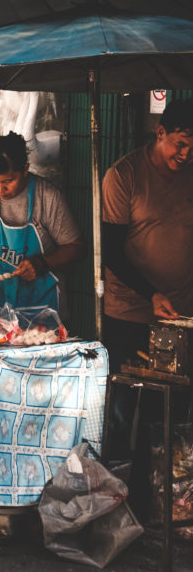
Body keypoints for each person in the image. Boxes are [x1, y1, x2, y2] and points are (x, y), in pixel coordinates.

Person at [102, 99, 193, 371]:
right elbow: (111, 250)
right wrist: (150, 294)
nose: (187, 154)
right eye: (181, 143)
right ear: (160, 133)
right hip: (130, 312)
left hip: (181, 313)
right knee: (129, 401)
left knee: (176, 403)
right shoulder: (123, 175)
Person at [0, 131, 85, 312]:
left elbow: (77, 248)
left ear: (25, 169)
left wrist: (43, 263)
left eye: (8, 181)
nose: (0, 189)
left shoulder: (47, 196)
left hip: (42, 311)